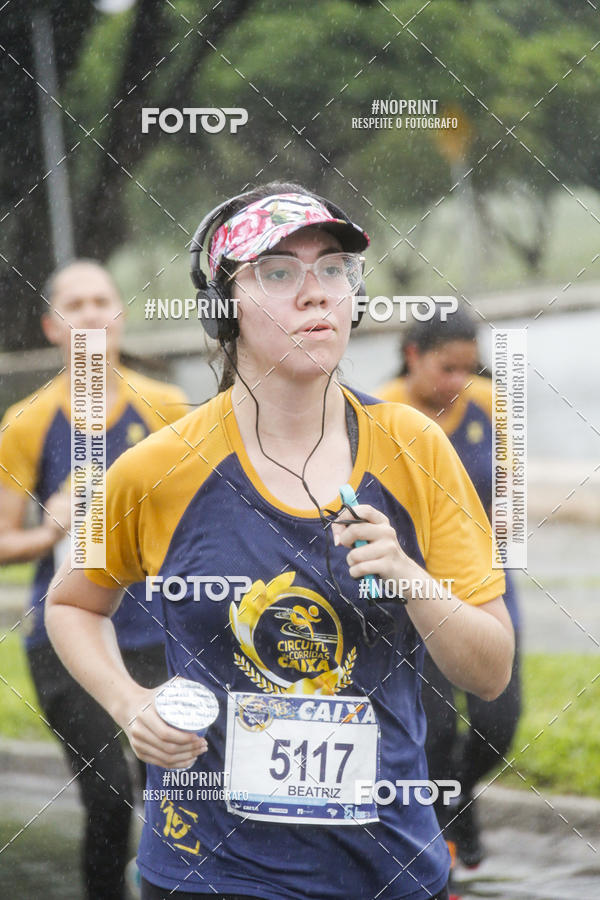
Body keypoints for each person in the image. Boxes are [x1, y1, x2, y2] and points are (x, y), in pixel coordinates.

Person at [46, 184, 514, 900]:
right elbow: (71, 604)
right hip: (209, 872)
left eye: (333, 269)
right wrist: (126, 702)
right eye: (277, 272)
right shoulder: (156, 468)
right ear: (221, 304)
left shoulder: (415, 446)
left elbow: (489, 673)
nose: (315, 293)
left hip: (388, 869)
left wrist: (409, 575)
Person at [0, 259, 188, 899]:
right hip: (69, 637)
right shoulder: (27, 421)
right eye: (73, 305)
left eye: (100, 301)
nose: (89, 314)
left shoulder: (166, 408)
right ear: (52, 326)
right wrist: (52, 530)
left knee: (184, 795)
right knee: (111, 799)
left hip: (161, 634)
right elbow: (3, 542)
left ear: (120, 315)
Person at [377, 306, 521, 868]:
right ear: (413, 355)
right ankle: (436, 846)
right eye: (447, 367)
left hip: (484, 583)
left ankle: (456, 801)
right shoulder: (379, 410)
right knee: (433, 728)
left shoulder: (490, 405)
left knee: (498, 723)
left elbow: (507, 486)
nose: (459, 381)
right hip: (415, 595)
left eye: (469, 368)